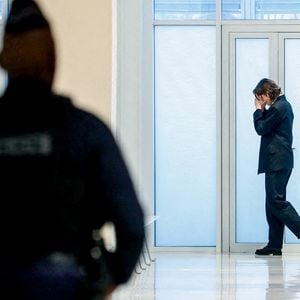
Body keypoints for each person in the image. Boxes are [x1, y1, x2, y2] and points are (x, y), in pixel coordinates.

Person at [0, 0, 145, 299]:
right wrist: (112, 279)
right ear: (51, 60)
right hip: (66, 280)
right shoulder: (85, 130)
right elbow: (130, 222)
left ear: (5, 60)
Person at [253, 78, 300, 256]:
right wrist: (263, 109)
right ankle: (274, 244)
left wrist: (258, 111)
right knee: (272, 204)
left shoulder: (279, 107)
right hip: (279, 161)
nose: (260, 102)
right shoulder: (281, 106)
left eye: (260, 98)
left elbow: (261, 128)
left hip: (277, 161)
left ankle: (278, 242)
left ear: (266, 93)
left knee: (276, 202)